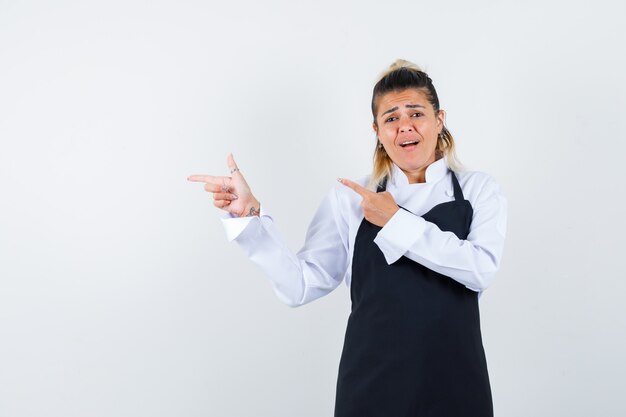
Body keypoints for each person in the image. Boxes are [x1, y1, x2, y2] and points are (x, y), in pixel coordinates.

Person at [188, 59, 507, 417]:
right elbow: (301, 286)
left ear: (439, 119)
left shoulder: (479, 190)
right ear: (377, 130)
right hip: (373, 390)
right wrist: (249, 217)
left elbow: (480, 269)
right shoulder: (351, 199)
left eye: (415, 113)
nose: (405, 127)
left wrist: (395, 220)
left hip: (456, 385)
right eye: (391, 118)